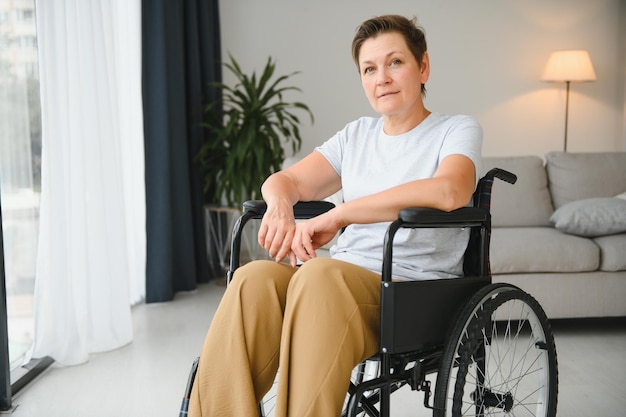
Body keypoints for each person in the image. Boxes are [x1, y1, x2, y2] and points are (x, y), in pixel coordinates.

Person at [189, 14, 482, 417]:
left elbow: (450, 190)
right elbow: (286, 180)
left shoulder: (455, 130)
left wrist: (340, 214)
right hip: (333, 284)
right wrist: (280, 205)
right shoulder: (356, 136)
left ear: (423, 67)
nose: (382, 77)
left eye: (395, 62)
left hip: (411, 293)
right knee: (252, 278)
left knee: (319, 275)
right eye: (369, 68)